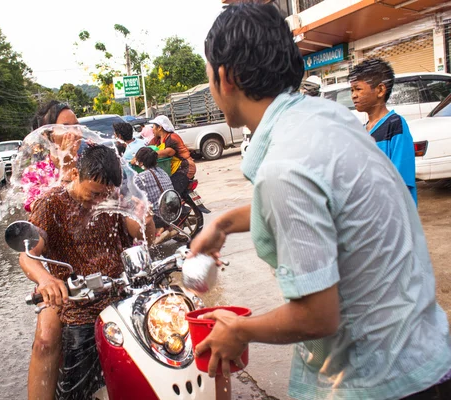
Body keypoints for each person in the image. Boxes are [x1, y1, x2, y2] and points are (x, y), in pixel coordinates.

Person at [190, 3, 451, 400]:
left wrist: (239, 331)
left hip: (380, 383)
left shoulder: (284, 167)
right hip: (427, 358)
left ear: (225, 77)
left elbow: (317, 316)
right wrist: (222, 224)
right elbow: (327, 204)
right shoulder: (329, 119)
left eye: (209, 76)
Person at [20, 145, 154, 400]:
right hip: (79, 306)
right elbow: (28, 254)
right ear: (74, 174)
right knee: (76, 391)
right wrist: (46, 279)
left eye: (103, 195)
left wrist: (144, 219)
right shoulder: (51, 204)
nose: (98, 202)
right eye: (92, 193)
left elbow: (145, 235)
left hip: (123, 299)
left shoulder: (116, 199)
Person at [349, 58, 418, 205]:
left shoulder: (395, 125)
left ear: (380, 90)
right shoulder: (361, 131)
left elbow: (401, 181)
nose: (353, 95)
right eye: (352, 90)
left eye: (358, 89)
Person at [133, 146, 175, 243]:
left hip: (159, 215)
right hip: (172, 211)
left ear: (141, 162)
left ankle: (151, 233)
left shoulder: (140, 178)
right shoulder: (162, 171)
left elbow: (131, 193)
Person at [147, 115, 196, 195]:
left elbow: (169, 152)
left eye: (153, 127)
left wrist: (149, 154)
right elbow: (147, 147)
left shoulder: (172, 137)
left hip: (185, 167)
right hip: (173, 169)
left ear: (159, 127)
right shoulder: (157, 140)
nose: (152, 130)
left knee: (171, 193)